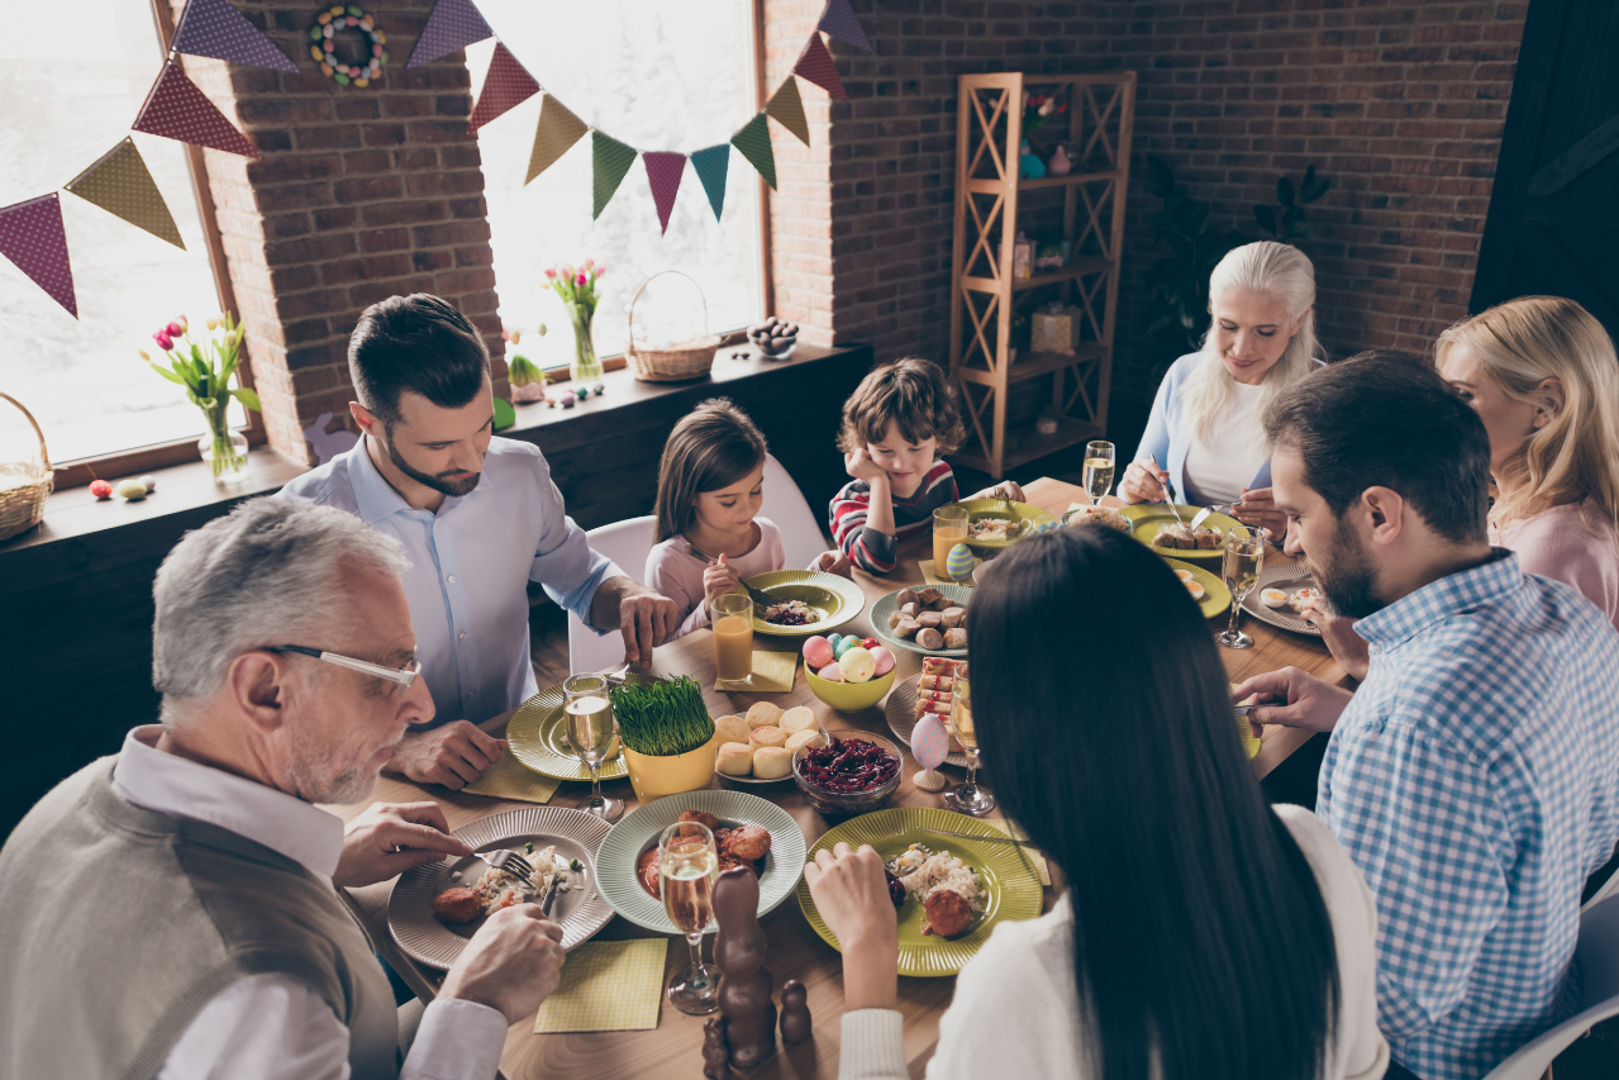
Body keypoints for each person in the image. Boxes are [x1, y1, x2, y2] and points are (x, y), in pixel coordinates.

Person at [0, 498, 566, 1080]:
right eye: (390, 675)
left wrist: (325, 862)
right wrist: (475, 1005)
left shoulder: (68, 800)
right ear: (265, 690)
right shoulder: (261, 998)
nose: (420, 704)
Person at [808, 527, 1388, 1080]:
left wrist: (866, 950)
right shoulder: (1316, 852)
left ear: (1016, 750)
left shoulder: (1027, 982)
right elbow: (1360, 1066)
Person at [1233, 355, 1619, 1080]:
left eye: (1296, 515)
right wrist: (1350, 719)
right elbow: (1591, 832)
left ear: (1378, 513)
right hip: (1532, 1003)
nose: (1288, 543)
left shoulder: (1415, 724)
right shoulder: (1567, 616)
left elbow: (1375, 1007)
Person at [279, 294, 676, 790]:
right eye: (439, 445)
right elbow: (290, 702)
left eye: (484, 427)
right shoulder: (302, 523)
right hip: (379, 779)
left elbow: (581, 576)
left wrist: (626, 596)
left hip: (521, 751)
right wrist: (403, 749)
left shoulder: (521, 470)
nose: (473, 459)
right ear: (368, 421)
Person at [1120, 240, 1323, 539]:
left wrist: (1289, 530)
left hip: (1266, 572)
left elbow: (1347, 533)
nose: (1241, 349)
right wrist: (1133, 486)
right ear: (1212, 311)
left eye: (1264, 332)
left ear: (1299, 321)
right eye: (1227, 325)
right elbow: (1137, 486)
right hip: (1179, 564)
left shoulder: (1325, 397)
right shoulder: (1184, 374)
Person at [645, 398, 849, 641]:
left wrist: (821, 572)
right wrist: (709, 608)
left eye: (755, 491)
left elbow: (776, 608)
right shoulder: (668, 562)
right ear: (689, 495)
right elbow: (667, 651)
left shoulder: (768, 535)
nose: (748, 508)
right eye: (728, 501)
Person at [830, 357, 1022, 575]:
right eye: (885, 451)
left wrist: (988, 496)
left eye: (915, 449)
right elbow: (877, 561)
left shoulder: (941, 475)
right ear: (864, 446)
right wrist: (878, 481)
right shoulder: (849, 503)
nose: (901, 464)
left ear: (938, 438)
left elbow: (945, 523)